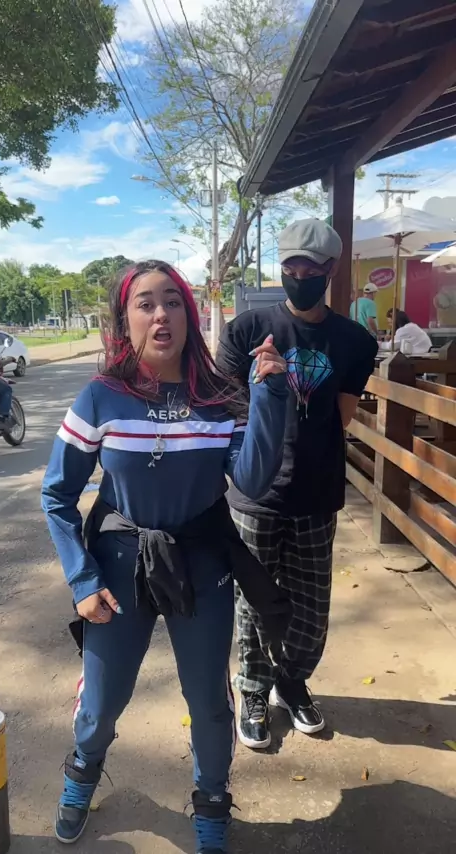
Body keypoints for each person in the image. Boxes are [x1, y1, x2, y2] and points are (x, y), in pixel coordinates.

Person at [41, 260, 289, 852]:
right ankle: (82, 771)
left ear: (189, 314)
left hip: (202, 561)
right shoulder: (101, 397)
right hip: (118, 565)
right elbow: (57, 495)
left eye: (173, 302)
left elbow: (252, 480)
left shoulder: (220, 397)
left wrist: (270, 394)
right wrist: (82, 579)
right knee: (102, 701)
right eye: (146, 303)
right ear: (124, 319)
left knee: (208, 701)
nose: (161, 315)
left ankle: (212, 799)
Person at [216, 219, 378, 750]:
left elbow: (342, 417)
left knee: (311, 609)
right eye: (291, 267)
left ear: (331, 270)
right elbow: (228, 414)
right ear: (280, 267)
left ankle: (292, 682)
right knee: (253, 604)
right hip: (254, 496)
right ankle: (253, 690)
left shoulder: (354, 340)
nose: (301, 276)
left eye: (312, 269)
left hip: (316, 493)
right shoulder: (245, 331)